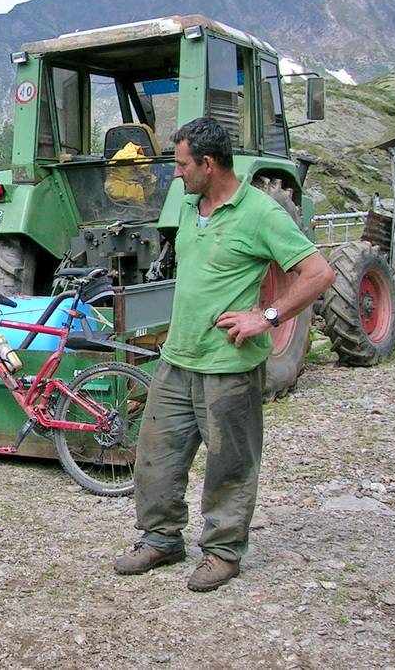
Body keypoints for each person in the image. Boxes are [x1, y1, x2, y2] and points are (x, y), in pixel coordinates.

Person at [114, 117, 335, 592]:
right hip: (178, 359)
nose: (176, 174)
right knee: (155, 456)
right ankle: (161, 539)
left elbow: (319, 274)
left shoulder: (261, 213)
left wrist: (268, 317)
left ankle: (222, 551)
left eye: (181, 165)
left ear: (208, 164)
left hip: (229, 366)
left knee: (229, 464)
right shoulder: (191, 205)